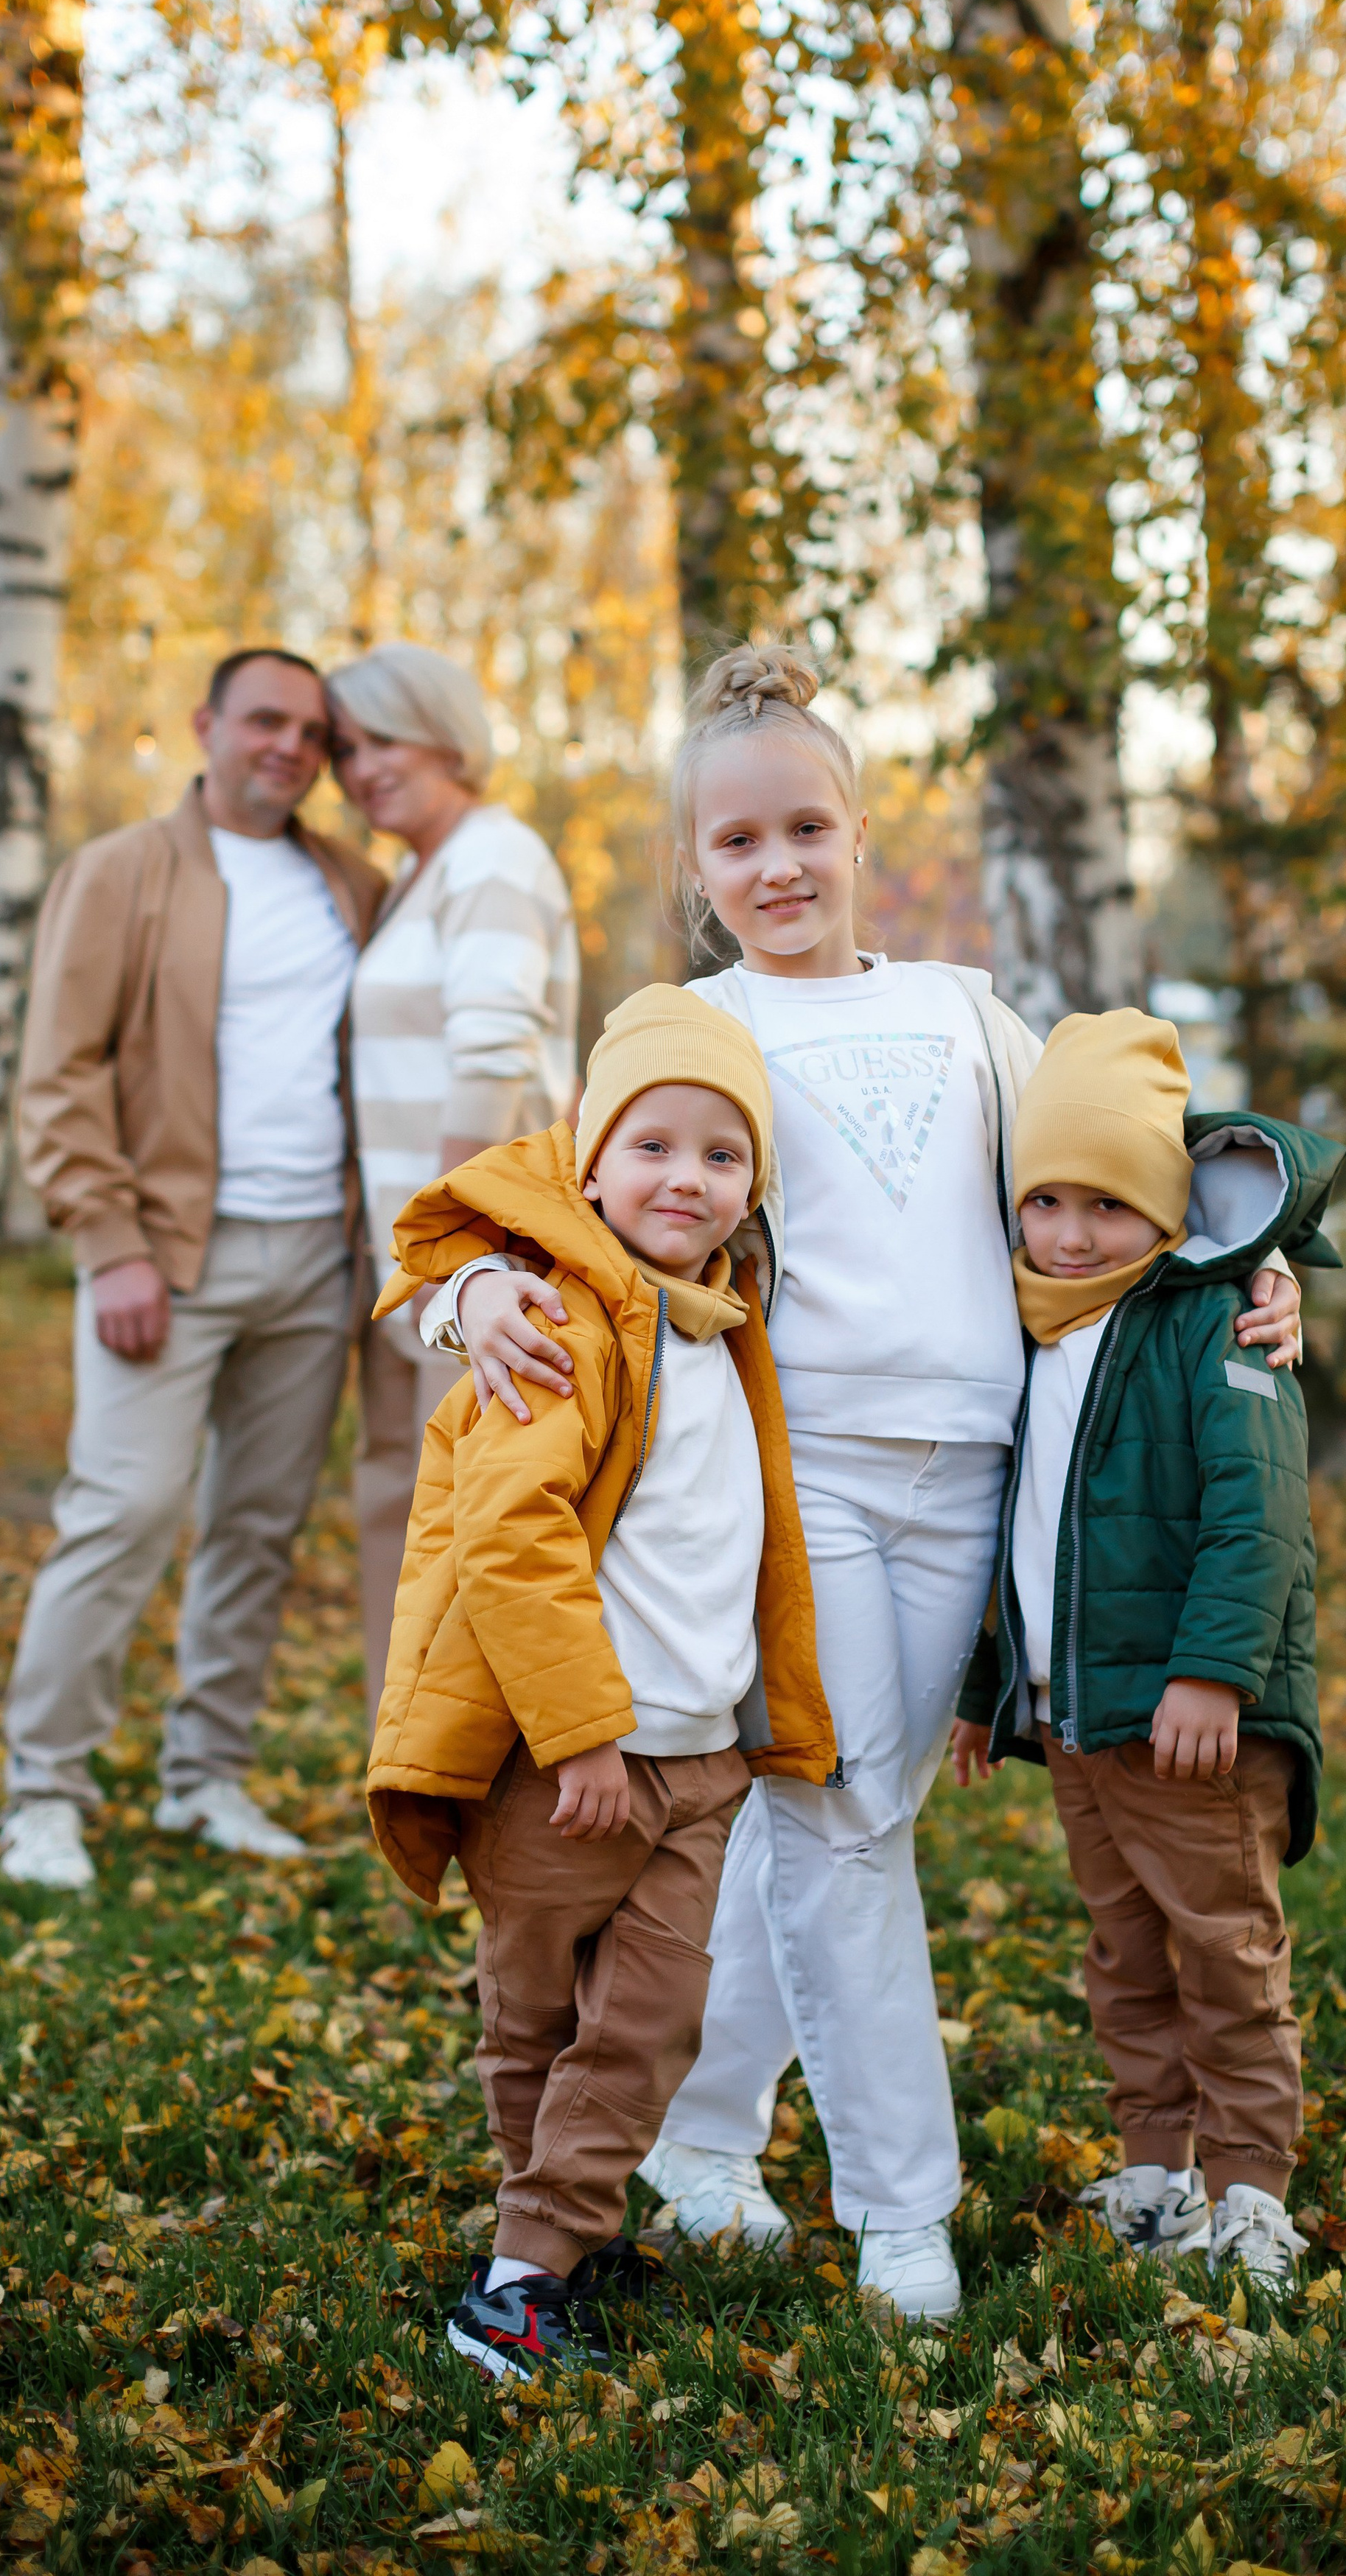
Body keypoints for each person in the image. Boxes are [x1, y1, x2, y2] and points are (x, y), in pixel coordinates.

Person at [430, 643, 1305, 2323]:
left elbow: (1118, 1152)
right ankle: (902, 2208)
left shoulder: (962, 1009)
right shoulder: (691, 1026)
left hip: (978, 1482)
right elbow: (527, 1198)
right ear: (695, 868)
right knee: (838, 1826)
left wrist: (1259, 1260)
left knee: (838, 1816)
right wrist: (465, 1294)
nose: (777, 869)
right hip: (799, 1475)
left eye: (805, 831)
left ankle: (694, 2140)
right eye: (737, 843)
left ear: (857, 830)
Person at [366, 984, 834, 2378]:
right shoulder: (557, 1327)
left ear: (753, 1184)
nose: (686, 1179)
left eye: (721, 1154)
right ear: (586, 1158)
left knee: (650, 2018)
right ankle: (527, 2272)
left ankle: (549, 2241)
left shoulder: (721, 1319)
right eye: (653, 1146)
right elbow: (511, 1544)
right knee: (538, 2012)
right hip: (569, 1759)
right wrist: (581, 1738)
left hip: (695, 1766)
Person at [950, 1009, 1342, 2292]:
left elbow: (1259, 1515)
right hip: (1078, 1719)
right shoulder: (1036, 1323)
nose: (1070, 1232)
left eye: (1109, 1204)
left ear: (1167, 1208)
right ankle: (1159, 2172)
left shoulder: (1220, 1320)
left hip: (1191, 1725)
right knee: (1125, 1959)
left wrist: (1212, 1674)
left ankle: (1252, 2194)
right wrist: (982, 1690)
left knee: (1225, 1956)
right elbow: (1013, 1531)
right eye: (1045, 1200)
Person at [0, 647, 386, 1891]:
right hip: (166, 1258)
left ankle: (203, 1779)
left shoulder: (352, 883)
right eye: (263, 720)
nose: (289, 747)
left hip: (314, 1264)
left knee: (257, 1531)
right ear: (205, 724)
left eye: (312, 732)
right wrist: (107, 1244)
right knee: (121, 1515)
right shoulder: (121, 873)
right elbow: (58, 1076)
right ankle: (42, 1794)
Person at [327, 641, 578, 1734]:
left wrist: (446, 1245)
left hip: (472, 1262)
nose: (360, 769)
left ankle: (493, 1784)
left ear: (445, 731)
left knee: (484, 1529)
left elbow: (492, 1058)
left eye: (384, 738)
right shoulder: (421, 874)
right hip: (409, 1262)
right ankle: (410, 1756)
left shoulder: (493, 857)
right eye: (347, 749)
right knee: (404, 1502)